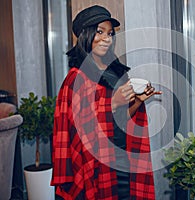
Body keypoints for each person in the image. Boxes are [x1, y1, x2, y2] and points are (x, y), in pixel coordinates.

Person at [51, 5, 161, 200]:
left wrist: (137, 102)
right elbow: (78, 126)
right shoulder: (77, 76)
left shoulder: (116, 71)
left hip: (123, 156)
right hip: (96, 163)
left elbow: (120, 119)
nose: (106, 38)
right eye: (99, 32)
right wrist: (113, 102)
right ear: (85, 35)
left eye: (110, 33)